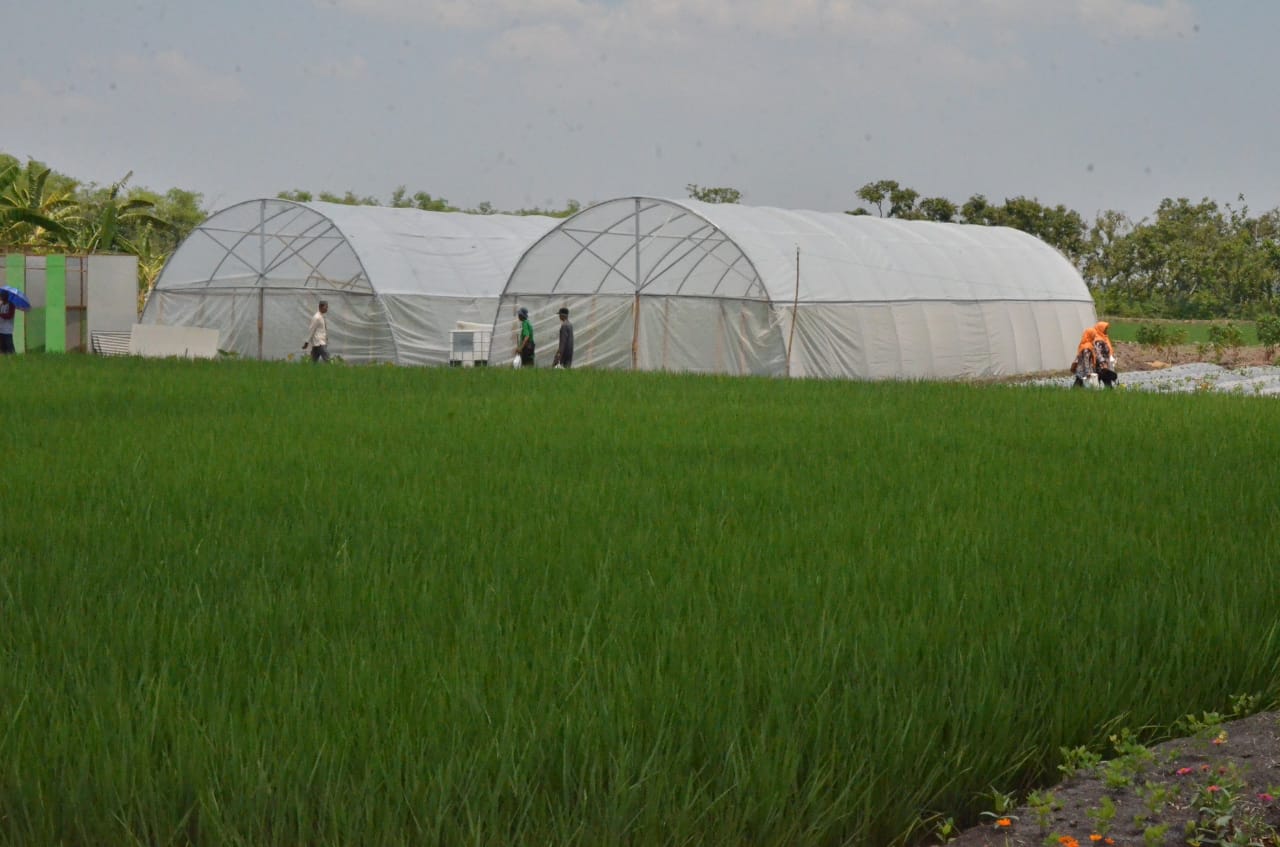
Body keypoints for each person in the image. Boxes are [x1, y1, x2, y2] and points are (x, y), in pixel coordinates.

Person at [1092, 321, 1118, 388]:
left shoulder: (1104, 338)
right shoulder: (1098, 340)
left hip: (1105, 364)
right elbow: (1098, 353)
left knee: (1105, 383)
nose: (1106, 330)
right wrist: (1103, 363)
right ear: (1100, 329)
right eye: (1105, 329)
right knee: (1105, 382)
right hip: (1101, 366)